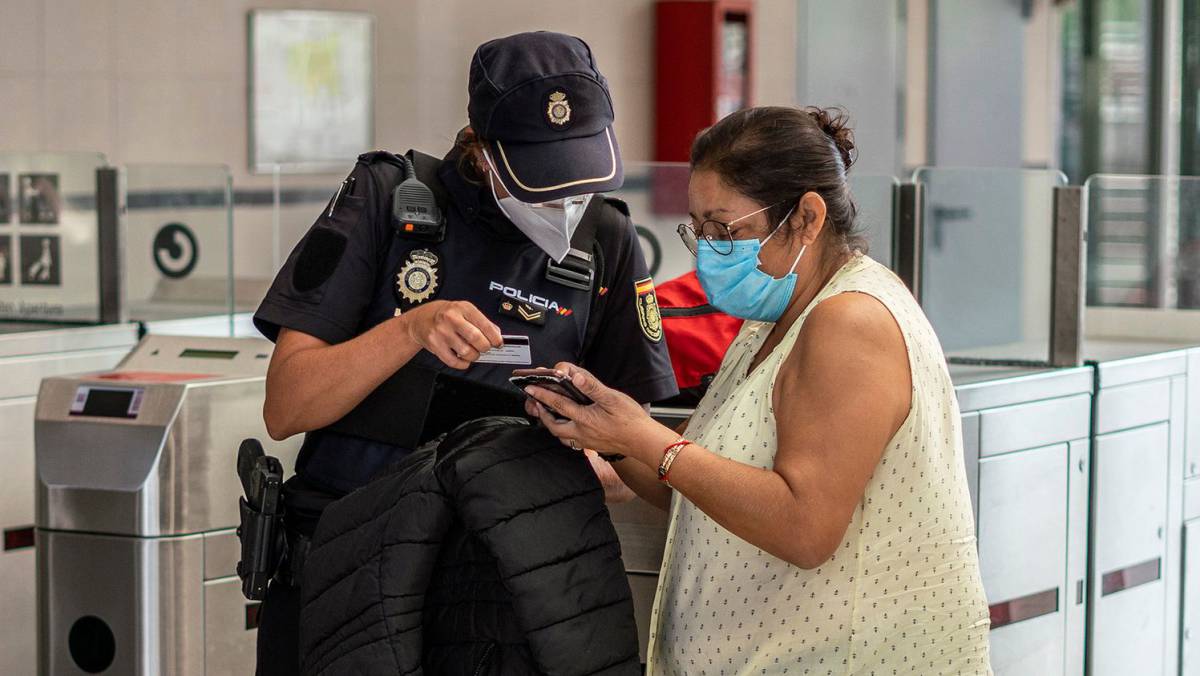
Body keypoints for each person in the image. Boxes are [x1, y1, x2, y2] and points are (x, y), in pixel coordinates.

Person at [251, 31, 677, 675]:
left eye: (579, 175)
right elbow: (286, 406)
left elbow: (633, 452)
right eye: (542, 179)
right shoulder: (387, 199)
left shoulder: (607, 240)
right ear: (481, 151)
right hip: (346, 568)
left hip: (501, 588)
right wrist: (409, 331)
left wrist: (564, 460)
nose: (564, 201)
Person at [524, 106, 992, 674]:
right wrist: (613, 435)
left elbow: (805, 528)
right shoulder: (770, 319)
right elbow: (697, 488)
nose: (708, 250)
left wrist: (649, 441)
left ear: (808, 218)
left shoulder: (850, 322)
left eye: (726, 230)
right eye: (698, 230)